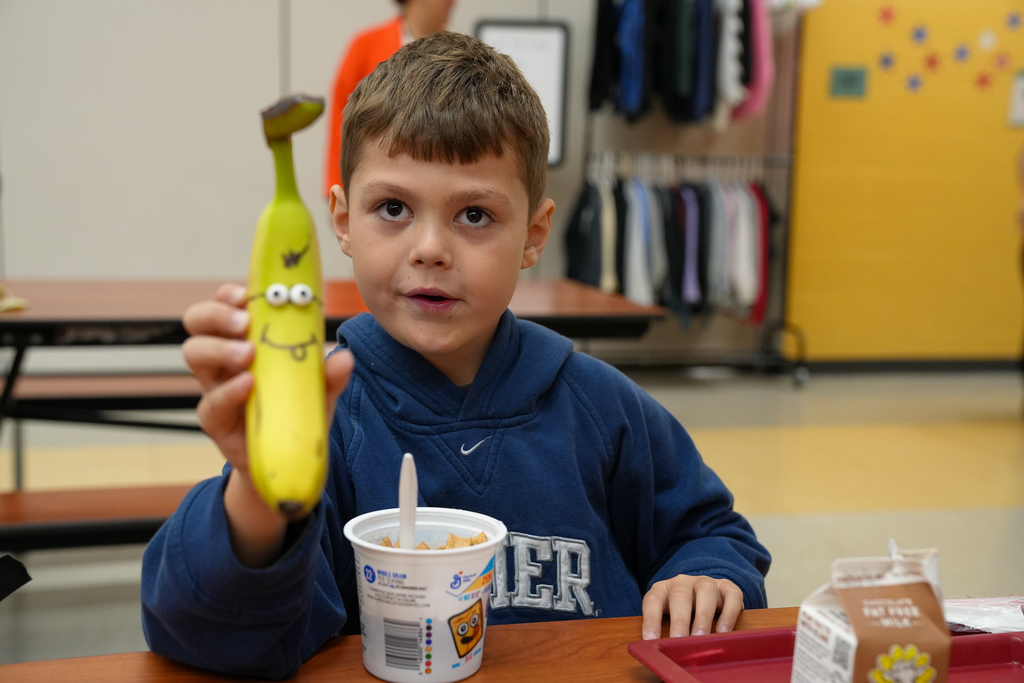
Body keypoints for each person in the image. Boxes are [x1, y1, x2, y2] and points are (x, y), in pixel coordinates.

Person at [141, 32, 770, 680]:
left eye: (473, 214)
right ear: (342, 219)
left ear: (533, 235)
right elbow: (209, 636)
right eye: (393, 208)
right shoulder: (316, 421)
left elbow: (712, 532)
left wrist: (705, 574)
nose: (431, 249)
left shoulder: (601, 406)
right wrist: (255, 493)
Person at [323, 0, 455, 197]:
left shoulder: (457, 54)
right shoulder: (365, 46)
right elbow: (341, 120)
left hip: (440, 183)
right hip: (378, 182)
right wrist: (337, 187)